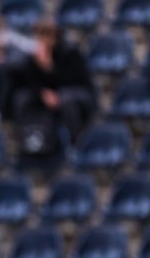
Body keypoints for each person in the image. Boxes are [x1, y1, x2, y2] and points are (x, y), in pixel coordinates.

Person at [11, 18, 96, 161]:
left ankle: (75, 146)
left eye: (45, 37)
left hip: (77, 93)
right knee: (21, 98)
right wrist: (42, 93)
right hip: (46, 94)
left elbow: (75, 80)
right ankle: (27, 142)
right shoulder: (33, 56)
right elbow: (29, 81)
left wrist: (49, 68)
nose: (42, 41)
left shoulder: (70, 52)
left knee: (67, 101)